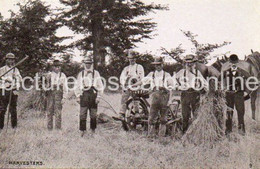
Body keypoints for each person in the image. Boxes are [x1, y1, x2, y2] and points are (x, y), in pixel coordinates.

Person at [132, 57, 172, 138]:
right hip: (154, 97)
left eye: (159, 65)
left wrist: (168, 94)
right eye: (156, 65)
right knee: (152, 117)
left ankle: (161, 136)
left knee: (163, 118)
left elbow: (171, 86)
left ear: (162, 65)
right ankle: (151, 136)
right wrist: (133, 85)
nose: (157, 67)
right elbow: (142, 81)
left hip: (164, 96)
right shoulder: (151, 74)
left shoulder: (167, 75)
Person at [174, 54, 208, 134]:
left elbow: (204, 83)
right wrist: (178, 86)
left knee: (196, 113)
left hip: (195, 94)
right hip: (185, 94)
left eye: (191, 63)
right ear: (185, 64)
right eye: (187, 63)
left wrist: (205, 88)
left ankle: (195, 133)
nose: (189, 65)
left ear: (194, 64)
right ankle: (185, 132)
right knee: (185, 115)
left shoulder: (197, 73)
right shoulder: (181, 72)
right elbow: (173, 80)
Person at [221, 54, 250, 135]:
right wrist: (223, 88)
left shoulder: (243, 71)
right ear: (229, 63)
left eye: (235, 63)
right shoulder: (225, 72)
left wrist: (246, 91)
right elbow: (218, 79)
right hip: (229, 94)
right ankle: (228, 131)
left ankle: (241, 132)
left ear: (237, 63)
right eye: (231, 63)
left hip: (239, 94)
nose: (233, 65)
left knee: (240, 112)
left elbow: (251, 80)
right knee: (229, 113)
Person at [75, 57, 104, 137]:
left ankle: (93, 130)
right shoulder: (81, 74)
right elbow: (77, 86)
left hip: (93, 94)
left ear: (92, 64)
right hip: (84, 94)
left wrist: (98, 97)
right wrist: (77, 96)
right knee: (82, 113)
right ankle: (82, 131)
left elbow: (100, 86)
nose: (88, 65)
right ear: (84, 64)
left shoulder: (96, 73)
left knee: (93, 114)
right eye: (86, 63)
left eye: (89, 63)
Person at [119, 50, 144, 120]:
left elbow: (141, 78)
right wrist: (124, 83)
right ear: (128, 59)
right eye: (130, 59)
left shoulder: (139, 67)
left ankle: (137, 112)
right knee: (123, 98)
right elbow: (122, 77)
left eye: (133, 59)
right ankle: (122, 114)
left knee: (135, 97)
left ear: (135, 59)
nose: (131, 60)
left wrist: (134, 79)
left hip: (136, 85)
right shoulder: (126, 68)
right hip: (128, 86)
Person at [0, 53, 22, 131]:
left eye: (12, 59)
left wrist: (16, 80)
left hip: (13, 90)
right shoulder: (2, 69)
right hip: (4, 90)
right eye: (9, 59)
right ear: (6, 60)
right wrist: (6, 79)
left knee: (13, 109)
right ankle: (1, 127)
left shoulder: (16, 70)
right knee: (2, 109)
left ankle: (14, 127)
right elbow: (1, 78)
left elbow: (20, 79)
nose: (11, 61)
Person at [46, 60, 68, 130]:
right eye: (56, 67)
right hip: (50, 94)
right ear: (52, 67)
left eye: (59, 67)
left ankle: (58, 128)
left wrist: (64, 97)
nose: (57, 68)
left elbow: (65, 87)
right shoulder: (48, 75)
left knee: (58, 111)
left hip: (59, 94)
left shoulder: (63, 75)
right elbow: (44, 86)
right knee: (49, 111)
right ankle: (49, 128)